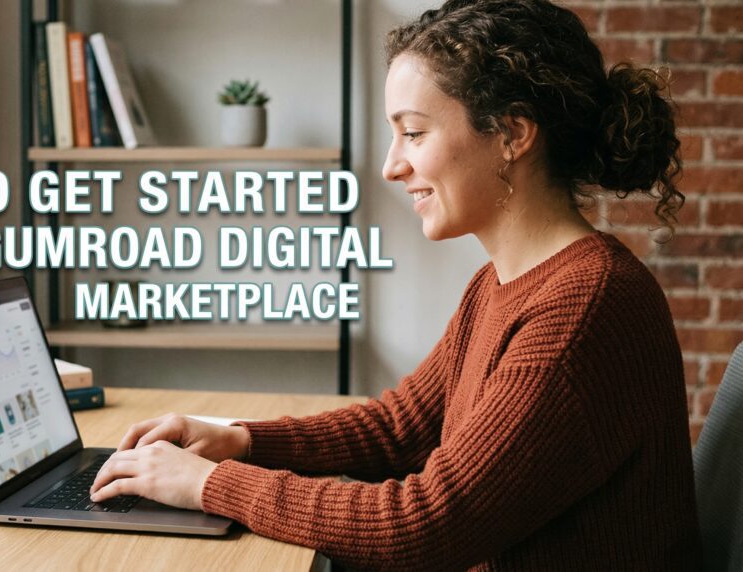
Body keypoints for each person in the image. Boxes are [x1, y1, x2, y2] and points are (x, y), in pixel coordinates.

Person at [89, 0, 701, 568]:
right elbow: (400, 428)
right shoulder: (502, 284)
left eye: (414, 132)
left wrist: (209, 484)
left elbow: (427, 522)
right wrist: (240, 440)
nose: (391, 165)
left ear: (512, 135)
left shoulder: (586, 310)